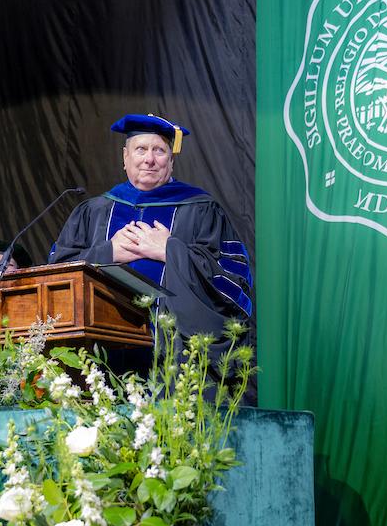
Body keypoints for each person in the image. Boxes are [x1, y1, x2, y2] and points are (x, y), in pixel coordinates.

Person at [48, 113, 254, 363]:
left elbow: (233, 283)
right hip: (103, 358)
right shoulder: (93, 211)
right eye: (141, 149)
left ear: (171, 161)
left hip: (179, 359)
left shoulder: (201, 210)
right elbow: (56, 275)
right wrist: (107, 253)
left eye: (159, 150)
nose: (149, 159)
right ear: (125, 157)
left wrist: (170, 251)